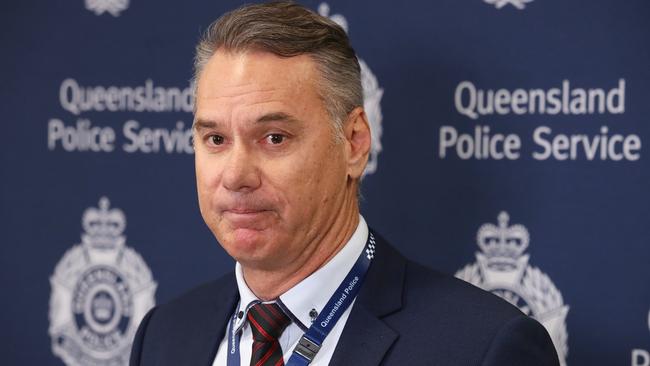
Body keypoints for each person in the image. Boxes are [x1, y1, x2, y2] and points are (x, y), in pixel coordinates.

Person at [129, 2, 560, 365]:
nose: (236, 175)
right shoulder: (163, 337)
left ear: (354, 143)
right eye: (216, 139)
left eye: (274, 137)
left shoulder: (483, 347)